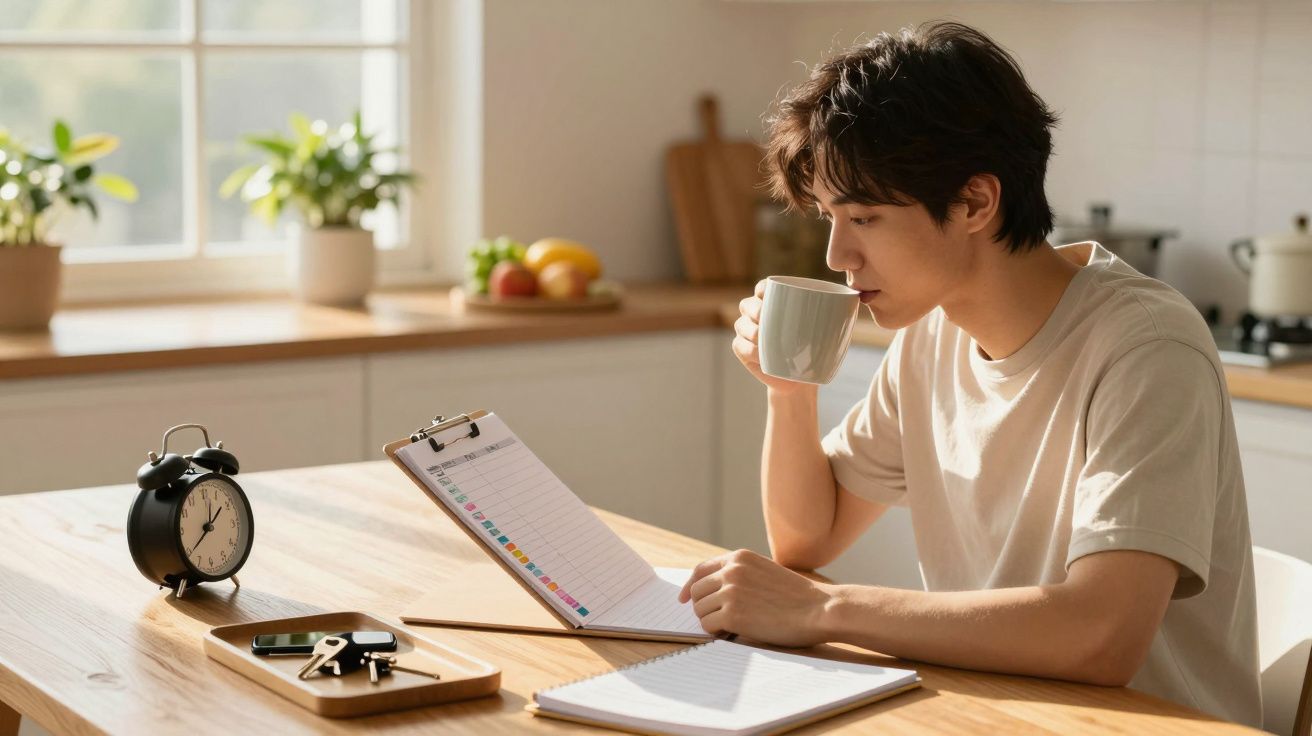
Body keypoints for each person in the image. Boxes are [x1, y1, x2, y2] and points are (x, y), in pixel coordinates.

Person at [677, 20, 1261, 727]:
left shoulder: (1146, 345)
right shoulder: (932, 330)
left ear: (975, 203)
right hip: (995, 711)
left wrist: (824, 609)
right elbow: (807, 539)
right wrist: (790, 391)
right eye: (831, 216)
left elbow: (1102, 635)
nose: (837, 255)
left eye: (863, 217)